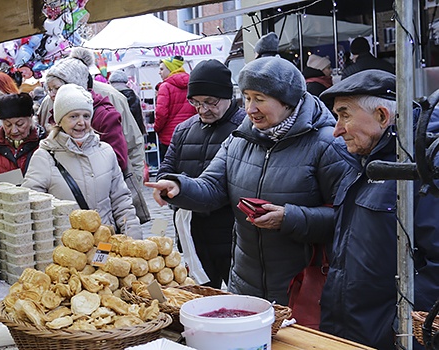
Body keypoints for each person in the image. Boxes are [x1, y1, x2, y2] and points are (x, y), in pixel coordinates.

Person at [145, 57, 349, 306]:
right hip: (245, 281)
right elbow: (211, 187)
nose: (250, 108)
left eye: (259, 99)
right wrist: (179, 187)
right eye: (247, 97)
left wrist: (289, 218)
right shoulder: (240, 138)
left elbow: (346, 217)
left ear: (287, 101)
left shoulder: (327, 143)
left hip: (301, 286)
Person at [318, 69, 439, 349]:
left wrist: (400, 325)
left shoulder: (421, 170)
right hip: (345, 328)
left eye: (344, 115)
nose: (336, 129)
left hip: (389, 337)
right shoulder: (358, 164)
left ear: (383, 116)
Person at [157, 59, 246, 288]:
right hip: (192, 233)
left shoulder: (246, 129)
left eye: (210, 102)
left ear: (228, 96)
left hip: (234, 234)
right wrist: (165, 185)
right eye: (195, 102)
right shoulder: (184, 129)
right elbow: (167, 169)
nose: (202, 109)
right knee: (200, 300)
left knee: (242, 303)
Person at [23, 84, 142, 238]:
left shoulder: (105, 151)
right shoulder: (44, 156)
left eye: (86, 116)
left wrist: (133, 238)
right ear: (60, 119)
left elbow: (121, 201)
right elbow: (33, 206)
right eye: (73, 116)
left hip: (105, 245)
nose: (81, 122)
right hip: (69, 250)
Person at [155, 55, 196, 159]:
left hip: (170, 137)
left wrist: (156, 128)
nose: (159, 72)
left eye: (161, 69)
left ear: (170, 69)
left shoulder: (165, 86)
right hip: (191, 134)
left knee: (170, 169)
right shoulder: (192, 83)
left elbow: (161, 113)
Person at [109, 70, 146, 136]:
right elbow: (138, 120)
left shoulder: (108, 97)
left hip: (114, 136)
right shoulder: (133, 97)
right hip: (132, 135)